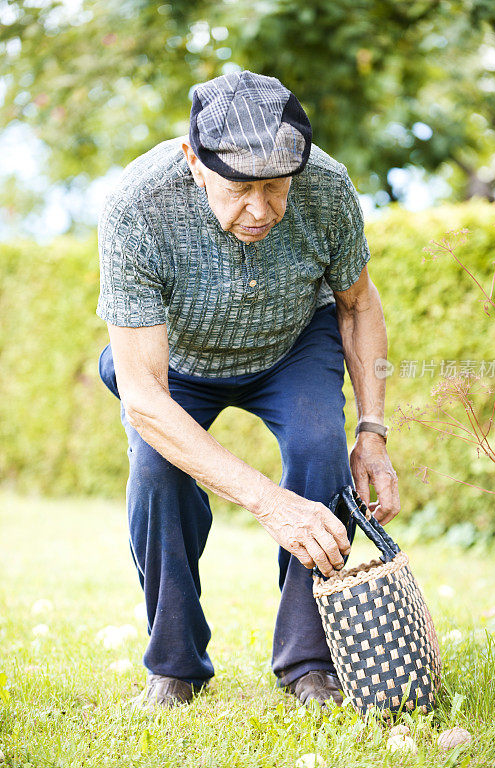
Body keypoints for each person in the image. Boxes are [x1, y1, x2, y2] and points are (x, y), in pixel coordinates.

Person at [96, 69, 400, 710]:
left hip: (293, 344)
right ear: (194, 161)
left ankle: (310, 664)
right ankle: (175, 665)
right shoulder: (137, 206)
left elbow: (357, 305)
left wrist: (372, 431)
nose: (259, 210)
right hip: (176, 365)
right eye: (239, 188)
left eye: (275, 187)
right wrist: (269, 503)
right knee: (158, 475)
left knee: (321, 446)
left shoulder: (327, 187)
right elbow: (146, 399)